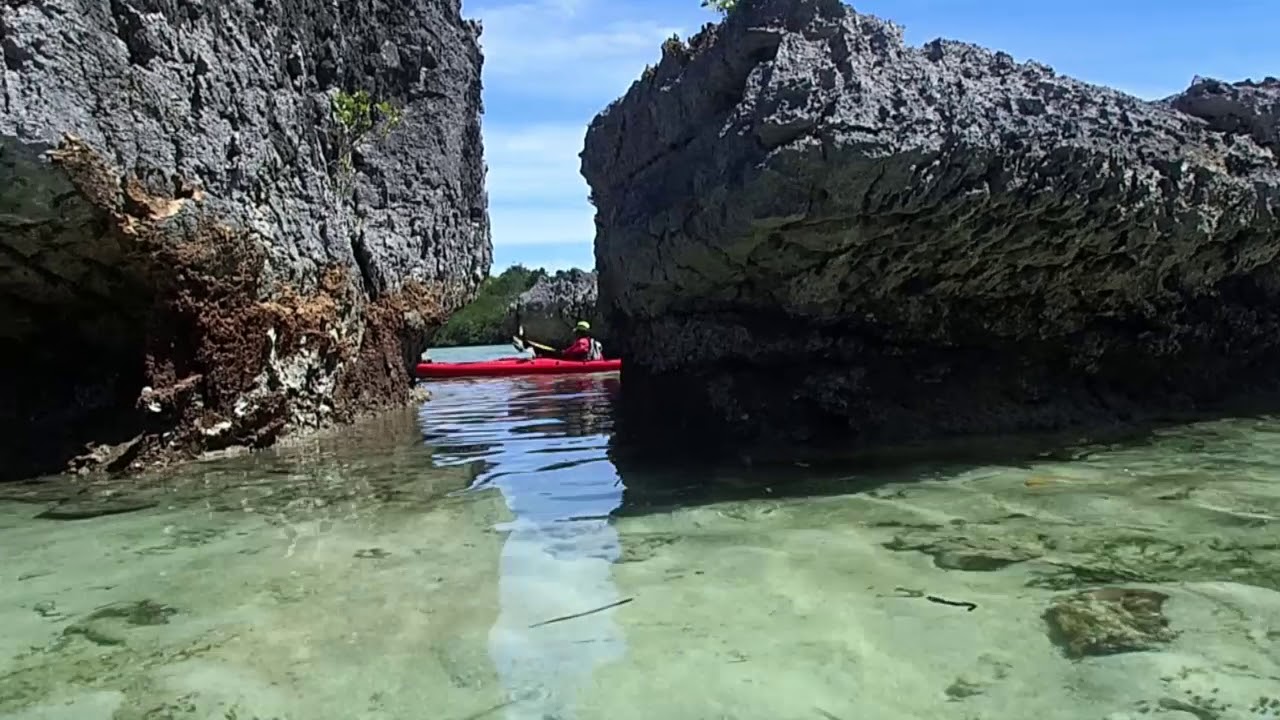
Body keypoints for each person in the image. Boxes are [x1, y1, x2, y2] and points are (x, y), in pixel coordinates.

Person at [514, 321, 603, 361]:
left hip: (570, 359)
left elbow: (573, 352)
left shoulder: (583, 342)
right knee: (547, 352)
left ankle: (529, 347)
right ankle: (529, 347)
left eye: (577, 332)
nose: (576, 334)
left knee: (547, 352)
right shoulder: (587, 340)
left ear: (580, 332)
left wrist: (564, 352)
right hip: (568, 356)